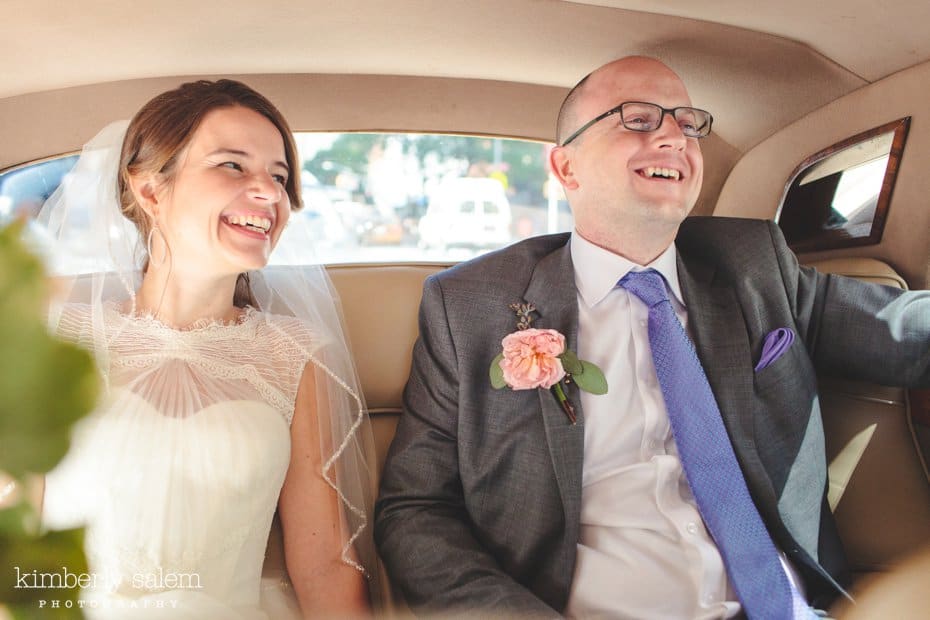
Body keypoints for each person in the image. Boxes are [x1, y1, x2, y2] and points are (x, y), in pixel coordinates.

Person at [374, 56, 930, 618]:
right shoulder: (468, 307)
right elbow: (416, 509)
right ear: (566, 168)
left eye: (688, 124)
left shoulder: (757, 265)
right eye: (636, 119)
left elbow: (905, 329)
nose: (673, 136)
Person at [38, 80, 378, 618]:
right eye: (233, 166)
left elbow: (324, 570)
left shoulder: (296, 355)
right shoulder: (55, 342)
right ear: (150, 191)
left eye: (281, 176)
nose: (270, 193)